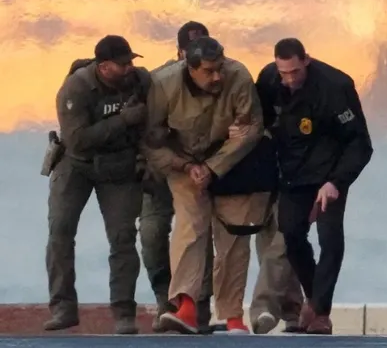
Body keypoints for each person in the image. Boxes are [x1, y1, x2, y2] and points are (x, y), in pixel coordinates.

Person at [140, 35, 271, 335]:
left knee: (234, 237)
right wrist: (186, 166)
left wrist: (214, 167)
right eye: (209, 71)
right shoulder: (163, 84)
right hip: (183, 164)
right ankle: (185, 306)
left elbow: (251, 128)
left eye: (220, 68)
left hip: (231, 162)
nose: (217, 76)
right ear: (190, 67)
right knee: (189, 228)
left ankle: (233, 317)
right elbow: (149, 140)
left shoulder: (238, 75)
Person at [255, 38, 373, 334]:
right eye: (284, 73)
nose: (290, 79)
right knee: (291, 235)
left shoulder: (336, 86)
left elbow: (360, 143)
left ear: (306, 59)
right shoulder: (269, 79)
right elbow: (261, 121)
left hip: (330, 174)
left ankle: (321, 312)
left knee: (329, 238)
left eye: (295, 71)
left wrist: (336, 181)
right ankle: (313, 298)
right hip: (293, 173)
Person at [45, 35, 152, 334]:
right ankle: (63, 307)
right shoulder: (76, 88)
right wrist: (123, 121)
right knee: (60, 231)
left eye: (131, 61)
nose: (129, 67)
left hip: (119, 165)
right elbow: (77, 140)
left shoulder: (140, 81)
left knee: (123, 237)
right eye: (122, 63)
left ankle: (124, 313)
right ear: (104, 67)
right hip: (76, 164)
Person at [141, 21, 215, 332]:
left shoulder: (218, 79)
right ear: (179, 51)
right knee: (152, 233)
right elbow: (145, 132)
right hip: (161, 170)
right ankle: (165, 300)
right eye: (189, 50)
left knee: (198, 235)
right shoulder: (159, 81)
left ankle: (198, 305)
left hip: (198, 169)